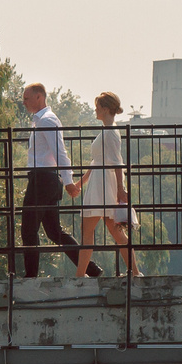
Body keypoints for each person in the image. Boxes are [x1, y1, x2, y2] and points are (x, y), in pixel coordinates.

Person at [70, 91, 134, 280]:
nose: (95, 110)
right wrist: (80, 183)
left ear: (105, 109)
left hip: (104, 185)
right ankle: (134, 272)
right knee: (111, 230)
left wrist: (120, 190)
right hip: (100, 184)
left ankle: (80, 275)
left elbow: (117, 162)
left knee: (94, 231)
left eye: (97, 107)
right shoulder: (108, 131)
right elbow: (97, 161)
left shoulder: (110, 132)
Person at [19, 82, 80, 278]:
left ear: (39, 97)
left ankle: (30, 277)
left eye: (26, 98)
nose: (24, 102)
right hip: (44, 179)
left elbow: (60, 152)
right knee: (54, 232)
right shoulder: (41, 121)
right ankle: (89, 268)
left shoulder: (46, 121)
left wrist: (68, 180)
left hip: (43, 180)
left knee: (29, 229)